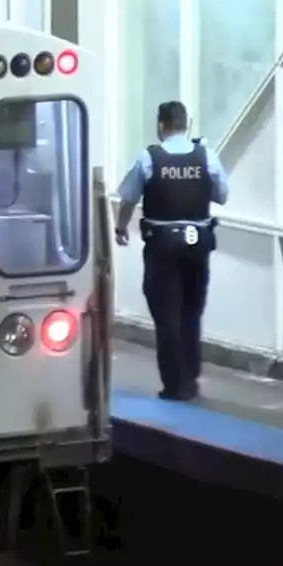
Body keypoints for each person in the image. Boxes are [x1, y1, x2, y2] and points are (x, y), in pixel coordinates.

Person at [113, 101, 229, 401]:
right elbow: (222, 195)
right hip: (198, 243)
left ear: (161, 125)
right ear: (186, 124)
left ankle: (175, 385)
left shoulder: (149, 158)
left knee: (166, 315)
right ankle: (191, 378)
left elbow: (128, 198)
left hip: (162, 245)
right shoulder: (207, 156)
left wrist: (120, 228)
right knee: (192, 311)